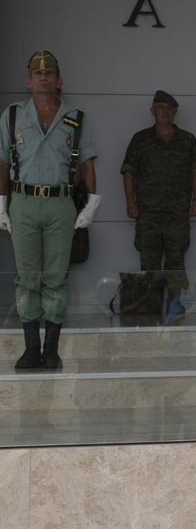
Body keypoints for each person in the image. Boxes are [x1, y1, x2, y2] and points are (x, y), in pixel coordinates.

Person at [1, 51, 101, 371]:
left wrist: (93, 203)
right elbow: (3, 162)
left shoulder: (75, 116)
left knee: (56, 277)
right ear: (28, 80)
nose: (43, 77)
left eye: (49, 73)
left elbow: (86, 162)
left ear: (59, 80)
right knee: (28, 277)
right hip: (24, 202)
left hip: (61, 202)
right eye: (37, 73)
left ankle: (51, 350)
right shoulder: (13, 115)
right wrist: (0, 204)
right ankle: (31, 348)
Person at [120, 90, 196, 324]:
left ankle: (175, 307)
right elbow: (128, 172)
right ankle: (150, 308)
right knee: (149, 262)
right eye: (160, 107)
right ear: (152, 111)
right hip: (148, 212)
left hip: (178, 212)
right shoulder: (141, 139)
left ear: (175, 111)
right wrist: (130, 202)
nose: (165, 111)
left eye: (169, 107)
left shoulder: (187, 140)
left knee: (176, 262)